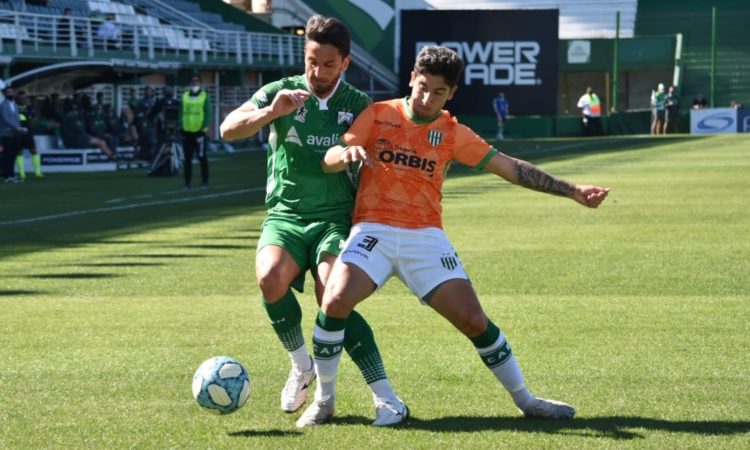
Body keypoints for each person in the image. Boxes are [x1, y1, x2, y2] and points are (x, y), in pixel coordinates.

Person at [296, 45, 610, 427]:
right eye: (422, 87)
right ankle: (325, 400)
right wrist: (344, 156)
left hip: (425, 237)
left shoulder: (452, 132)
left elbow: (511, 168)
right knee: (334, 300)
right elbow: (330, 157)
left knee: (474, 321)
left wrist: (573, 190)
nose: (427, 98)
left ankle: (527, 401)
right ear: (412, 78)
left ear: (451, 93)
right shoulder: (378, 114)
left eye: (438, 92)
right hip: (373, 229)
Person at [220, 15, 404, 426]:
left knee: (332, 297)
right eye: (311, 62)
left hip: (335, 219)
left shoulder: (357, 104)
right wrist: (271, 112)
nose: (317, 72)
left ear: (345, 63)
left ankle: (384, 395)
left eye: (328, 64)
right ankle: (301, 365)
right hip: (285, 216)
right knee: (269, 279)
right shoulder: (280, 92)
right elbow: (228, 129)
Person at [181, 75, 210, 190]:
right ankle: (187, 183)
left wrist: (203, 129)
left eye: (197, 81)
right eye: (192, 81)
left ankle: (205, 181)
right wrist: (181, 126)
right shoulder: (184, 96)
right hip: (187, 132)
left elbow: (208, 113)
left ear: (200, 83)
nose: (194, 83)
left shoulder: (204, 96)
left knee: (202, 157)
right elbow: (181, 112)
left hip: (199, 132)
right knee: (187, 159)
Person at [0, 83, 27, 183]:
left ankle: (11, 174)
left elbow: (17, 118)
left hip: (15, 133)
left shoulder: (15, 104)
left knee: (13, 155)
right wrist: (15, 127)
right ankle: (7, 175)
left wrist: (19, 128)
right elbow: (5, 119)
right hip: (6, 133)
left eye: (11, 92)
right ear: (5, 94)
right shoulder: (3, 105)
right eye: (8, 92)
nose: (10, 94)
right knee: (7, 155)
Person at [15, 91, 44, 179]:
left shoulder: (29, 107)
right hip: (17, 133)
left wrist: (32, 121)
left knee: (33, 150)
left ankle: (37, 172)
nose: (23, 99)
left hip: (28, 132)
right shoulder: (14, 107)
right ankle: (22, 173)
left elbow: (35, 117)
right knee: (19, 152)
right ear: (18, 99)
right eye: (21, 98)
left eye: (24, 98)